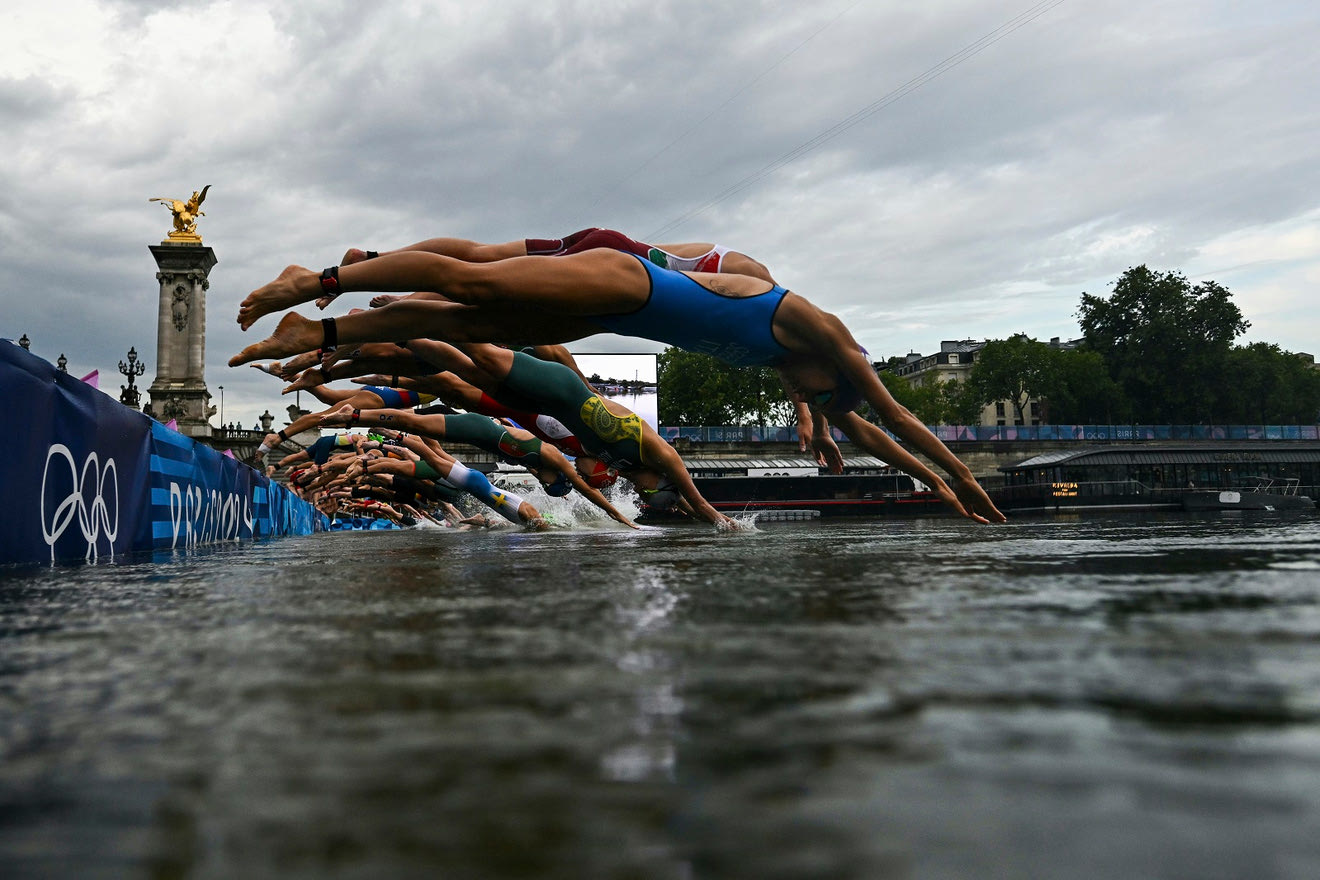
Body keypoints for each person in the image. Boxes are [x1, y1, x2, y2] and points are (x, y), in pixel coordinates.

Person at [232, 247, 1005, 523]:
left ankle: (322, 333)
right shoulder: (821, 331)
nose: (818, 406)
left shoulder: (805, 375)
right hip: (628, 279)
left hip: (622, 312)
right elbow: (895, 412)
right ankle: (320, 283)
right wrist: (963, 474)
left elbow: (872, 431)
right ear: (838, 370)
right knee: (473, 286)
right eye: (825, 401)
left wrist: (933, 488)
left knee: (470, 322)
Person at [319, 404, 639, 528]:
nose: (543, 485)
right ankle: (363, 418)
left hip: (486, 451)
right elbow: (585, 488)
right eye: (548, 484)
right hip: (483, 435)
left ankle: (378, 436)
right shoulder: (554, 459)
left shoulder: (539, 465)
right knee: (424, 444)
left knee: (429, 449)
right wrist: (620, 517)